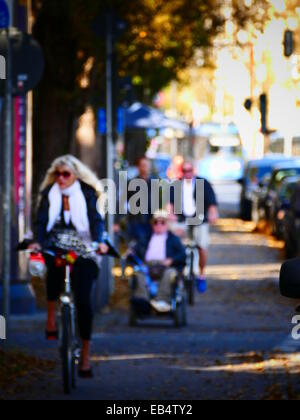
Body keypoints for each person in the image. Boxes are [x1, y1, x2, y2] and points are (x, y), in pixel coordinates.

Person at [30, 155, 109, 378]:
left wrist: (100, 241)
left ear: (75, 175)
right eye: (57, 174)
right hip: (55, 242)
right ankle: (51, 317)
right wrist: (37, 240)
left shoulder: (87, 192)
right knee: (50, 262)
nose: (61, 179)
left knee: (84, 299)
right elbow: (41, 221)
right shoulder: (49, 193)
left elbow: (96, 220)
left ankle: (85, 355)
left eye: (65, 174)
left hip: (84, 246)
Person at [170, 159, 218, 290]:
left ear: (194, 170)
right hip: (182, 220)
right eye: (184, 170)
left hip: (199, 220)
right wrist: (171, 214)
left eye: (189, 170)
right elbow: (170, 203)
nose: (187, 173)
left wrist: (213, 213)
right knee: (173, 243)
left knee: (202, 246)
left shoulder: (203, 183)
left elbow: (212, 201)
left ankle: (201, 275)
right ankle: (176, 274)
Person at [132, 210, 186, 313]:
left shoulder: (173, 239)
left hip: (166, 266)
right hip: (148, 266)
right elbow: (135, 251)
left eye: (162, 222)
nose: (159, 225)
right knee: (138, 273)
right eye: (156, 222)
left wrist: (171, 260)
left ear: (167, 225)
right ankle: (143, 301)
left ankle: (162, 301)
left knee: (170, 274)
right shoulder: (145, 238)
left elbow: (182, 254)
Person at [126, 156, 154, 242]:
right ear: (138, 167)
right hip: (136, 221)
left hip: (152, 222)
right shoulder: (131, 183)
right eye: (143, 165)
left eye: (146, 165)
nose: (145, 168)